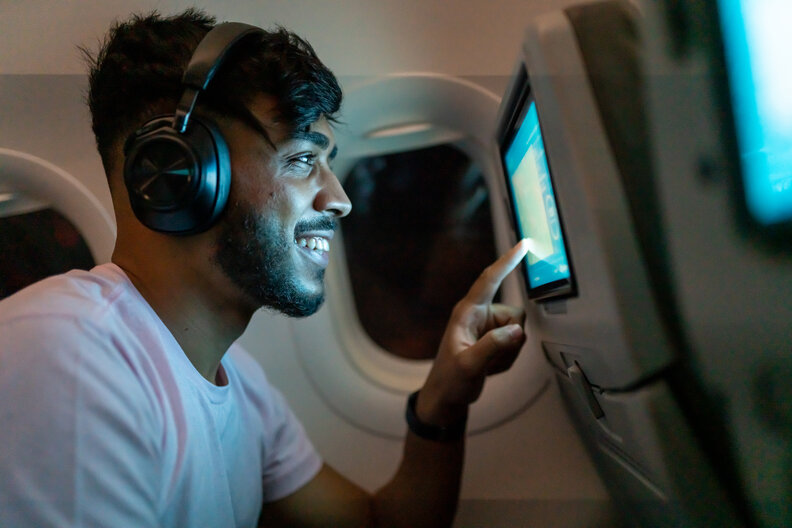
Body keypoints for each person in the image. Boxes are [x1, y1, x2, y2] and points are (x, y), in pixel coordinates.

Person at [0, 9, 530, 528]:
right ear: (177, 175)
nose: (340, 199)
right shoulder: (69, 353)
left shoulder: (244, 387)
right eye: (302, 159)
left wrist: (441, 401)